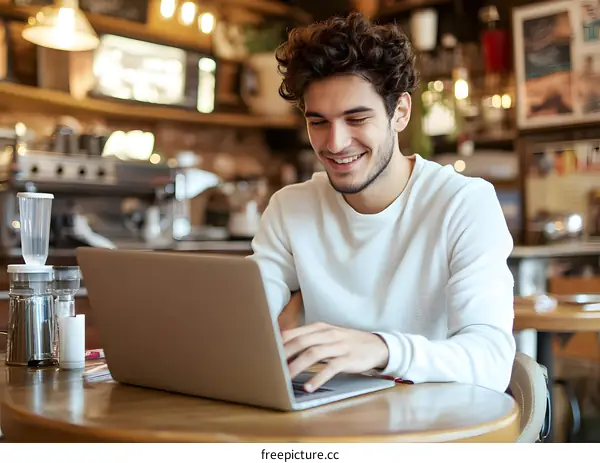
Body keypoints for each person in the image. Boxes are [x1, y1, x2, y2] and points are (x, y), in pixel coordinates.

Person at [247, 12, 516, 394]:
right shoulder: (291, 207)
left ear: (400, 112)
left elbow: (491, 361)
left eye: (356, 118)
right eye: (318, 122)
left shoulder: (463, 203)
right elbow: (247, 315)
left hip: (433, 424)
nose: (335, 143)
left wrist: (382, 348)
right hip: (322, 416)